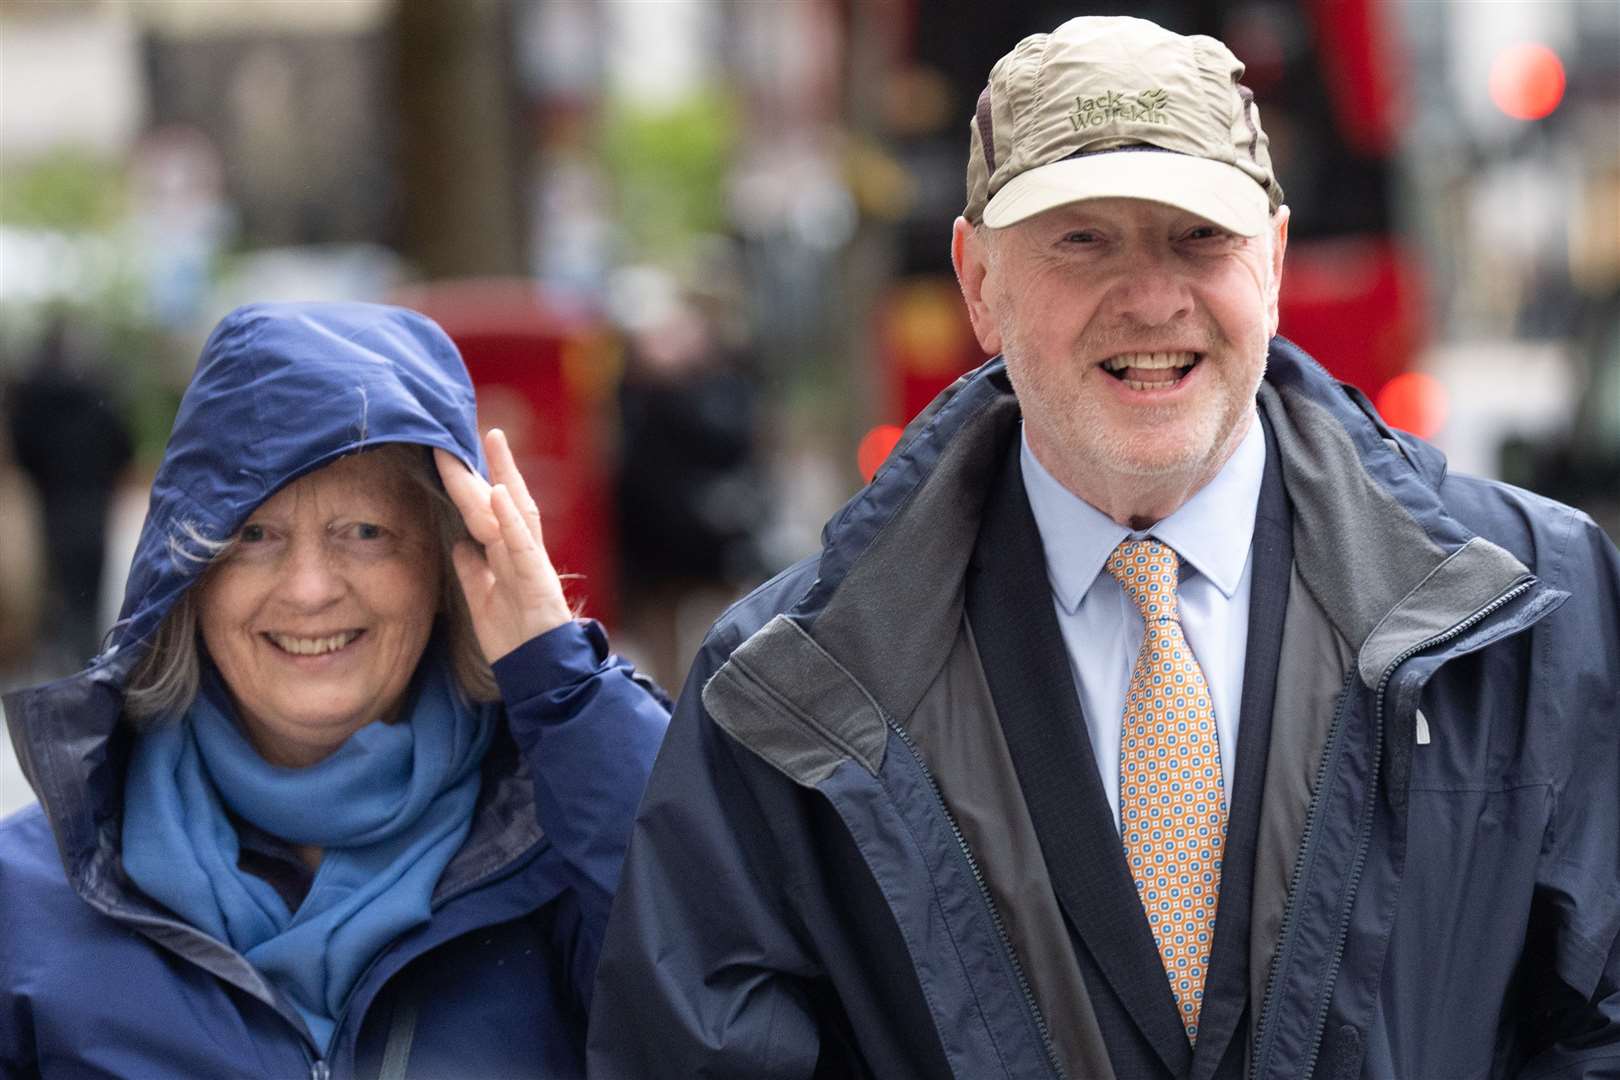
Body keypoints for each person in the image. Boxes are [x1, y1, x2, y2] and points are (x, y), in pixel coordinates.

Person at [589, 16, 1620, 1080]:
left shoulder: (1543, 607)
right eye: (1083, 238)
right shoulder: (782, 688)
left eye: (1198, 238)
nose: (1152, 298)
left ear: (1269, 259)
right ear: (979, 282)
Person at [0, 301, 670, 1078]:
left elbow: (714, 1008)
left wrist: (561, 684)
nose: (310, 590)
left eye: (365, 532)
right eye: (254, 536)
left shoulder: (564, 848)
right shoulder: (29, 900)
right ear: (188, 578)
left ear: (444, 566)